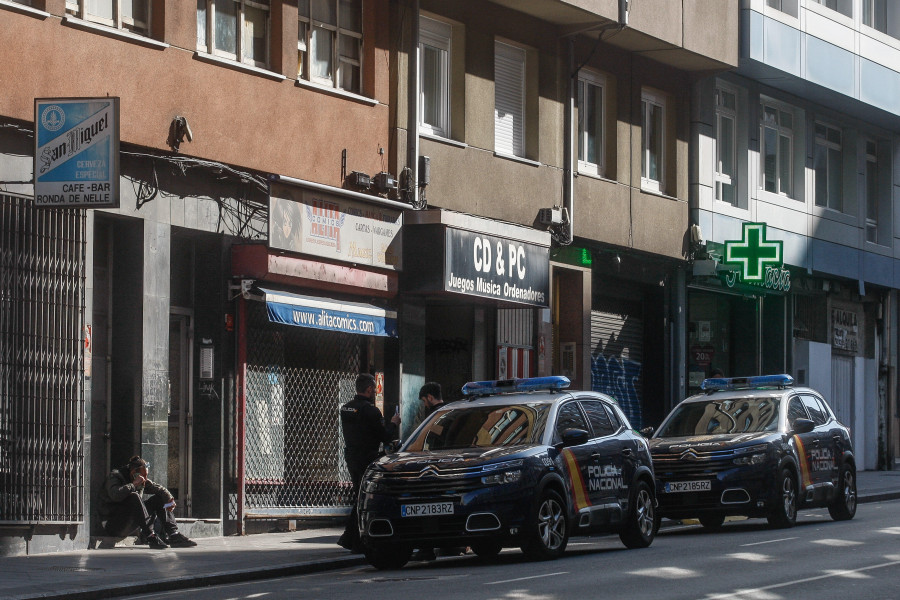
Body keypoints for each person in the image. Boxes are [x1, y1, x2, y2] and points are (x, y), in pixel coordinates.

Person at [338, 373, 401, 553]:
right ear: (368, 389)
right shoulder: (371, 411)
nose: (374, 391)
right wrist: (394, 423)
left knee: (359, 494)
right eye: (373, 388)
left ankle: (350, 538)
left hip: (351, 457)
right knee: (364, 497)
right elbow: (385, 436)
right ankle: (353, 539)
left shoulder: (346, 408)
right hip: (367, 458)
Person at [98, 456, 197, 549]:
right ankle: (150, 536)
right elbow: (115, 495)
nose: (144, 479)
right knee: (134, 497)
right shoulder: (115, 477)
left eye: (146, 476)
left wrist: (169, 499)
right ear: (133, 472)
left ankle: (173, 535)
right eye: (143, 476)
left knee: (159, 499)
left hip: (130, 521)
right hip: (113, 525)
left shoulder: (141, 479)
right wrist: (133, 484)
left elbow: (158, 489)